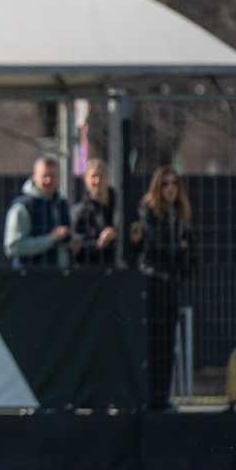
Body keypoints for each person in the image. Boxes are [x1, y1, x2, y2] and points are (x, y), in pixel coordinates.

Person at [129, 166, 199, 410]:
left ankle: (163, 397)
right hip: (152, 282)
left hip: (171, 283)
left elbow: (191, 252)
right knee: (152, 342)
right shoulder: (148, 212)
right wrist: (178, 249)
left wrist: (181, 254)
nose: (170, 189)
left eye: (174, 184)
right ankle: (149, 398)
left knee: (168, 342)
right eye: (165, 184)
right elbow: (155, 247)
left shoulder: (180, 216)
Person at [3, 156, 79, 268]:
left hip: (62, 275)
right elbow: (13, 247)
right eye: (44, 176)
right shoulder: (22, 207)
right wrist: (51, 239)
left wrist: (73, 242)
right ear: (34, 177)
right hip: (30, 276)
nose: (48, 180)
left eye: (52, 176)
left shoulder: (61, 204)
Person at [70, 158, 121, 267]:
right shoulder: (79, 212)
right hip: (91, 270)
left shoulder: (121, 206)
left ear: (108, 178)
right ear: (86, 180)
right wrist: (98, 244)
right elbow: (76, 246)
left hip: (121, 268)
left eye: (101, 176)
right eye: (93, 176)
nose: (97, 181)